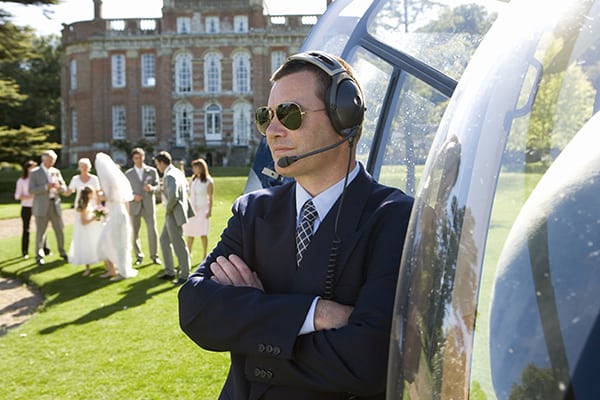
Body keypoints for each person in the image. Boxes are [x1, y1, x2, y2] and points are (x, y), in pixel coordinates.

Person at [178, 50, 414, 399]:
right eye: (265, 117)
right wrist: (313, 314)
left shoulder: (394, 216)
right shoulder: (252, 211)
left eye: (289, 114)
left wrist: (252, 337)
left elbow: (368, 360)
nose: (271, 131)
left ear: (344, 115)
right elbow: (195, 308)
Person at [95, 152, 138, 281]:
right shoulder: (111, 181)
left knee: (119, 243)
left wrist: (100, 196)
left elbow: (112, 198)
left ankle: (123, 271)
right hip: (115, 213)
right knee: (107, 241)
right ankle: (113, 269)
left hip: (117, 214)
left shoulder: (111, 182)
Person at [153, 151, 194, 284]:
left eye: (157, 164)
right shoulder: (176, 172)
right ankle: (170, 271)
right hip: (175, 211)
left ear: (161, 163)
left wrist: (168, 210)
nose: (157, 167)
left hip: (173, 213)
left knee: (178, 244)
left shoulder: (170, 175)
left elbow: (174, 196)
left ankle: (185, 275)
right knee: (164, 240)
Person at [28, 150, 68, 265]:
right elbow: (31, 190)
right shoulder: (35, 172)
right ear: (43, 160)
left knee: (60, 230)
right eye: (50, 160)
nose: (52, 163)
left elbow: (64, 187)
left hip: (55, 205)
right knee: (41, 232)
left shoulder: (56, 171)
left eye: (53, 161)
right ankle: (39, 256)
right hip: (41, 207)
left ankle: (62, 252)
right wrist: (46, 187)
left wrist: (60, 188)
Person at [124, 147, 161, 265]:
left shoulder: (152, 171)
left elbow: (159, 187)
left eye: (141, 157)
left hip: (149, 205)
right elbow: (125, 191)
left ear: (144, 157)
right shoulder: (128, 174)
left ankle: (154, 256)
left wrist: (152, 188)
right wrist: (133, 196)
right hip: (134, 206)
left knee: (152, 231)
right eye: (136, 158)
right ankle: (138, 256)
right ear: (133, 159)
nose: (139, 160)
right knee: (134, 232)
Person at [68, 186, 105, 276]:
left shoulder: (89, 203)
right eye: (92, 193)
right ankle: (87, 268)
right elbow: (84, 222)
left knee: (97, 244)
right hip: (86, 230)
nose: (94, 195)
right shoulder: (83, 206)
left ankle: (105, 263)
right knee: (87, 247)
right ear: (88, 194)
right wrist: (94, 218)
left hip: (92, 228)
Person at [182, 158, 214, 261]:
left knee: (203, 233)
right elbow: (188, 191)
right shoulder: (193, 179)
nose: (194, 169)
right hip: (192, 209)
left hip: (203, 209)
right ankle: (188, 254)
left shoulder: (209, 181)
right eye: (193, 167)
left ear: (201, 168)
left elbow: (211, 197)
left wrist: (209, 210)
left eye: (196, 167)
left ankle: (205, 254)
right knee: (190, 233)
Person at [14, 160, 46, 259]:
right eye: (31, 168)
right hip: (26, 207)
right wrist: (29, 196)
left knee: (42, 228)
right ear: (26, 169)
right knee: (26, 229)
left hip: (38, 206)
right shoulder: (21, 181)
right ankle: (25, 252)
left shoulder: (39, 180)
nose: (33, 170)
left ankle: (45, 250)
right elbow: (17, 196)